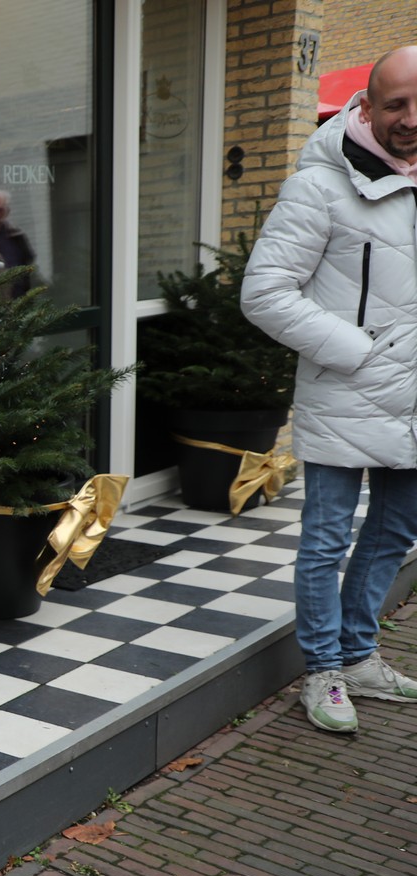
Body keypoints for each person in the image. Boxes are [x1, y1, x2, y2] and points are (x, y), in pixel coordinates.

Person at [241, 45, 417, 734]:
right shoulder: (319, 185)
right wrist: (359, 353)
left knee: (396, 529)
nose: (410, 118)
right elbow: (265, 292)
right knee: (325, 539)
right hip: (348, 389)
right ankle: (322, 670)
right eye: (396, 104)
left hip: (413, 400)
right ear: (366, 108)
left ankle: (359, 654)